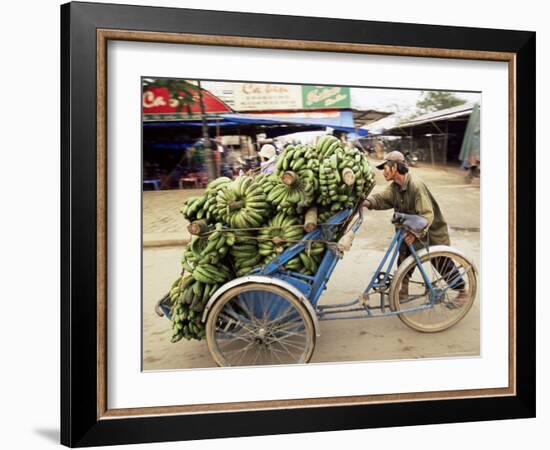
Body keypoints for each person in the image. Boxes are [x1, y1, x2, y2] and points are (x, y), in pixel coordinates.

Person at [362, 151, 466, 305]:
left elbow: (426, 216)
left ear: (395, 167)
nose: (383, 171)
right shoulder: (395, 187)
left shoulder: (415, 186)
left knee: (442, 264)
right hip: (411, 231)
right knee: (403, 257)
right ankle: (403, 290)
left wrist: (415, 233)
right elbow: (383, 198)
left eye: (385, 167)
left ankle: (462, 291)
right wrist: (366, 202)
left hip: (431, 233)